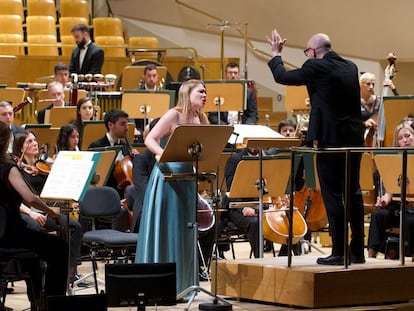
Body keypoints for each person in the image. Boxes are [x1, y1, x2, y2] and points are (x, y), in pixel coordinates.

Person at [267, 30, 365, 265]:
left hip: (330, 140)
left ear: (313, 52)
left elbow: (282, 77)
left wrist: (276, 53)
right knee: (353, 193)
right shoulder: (351, 67)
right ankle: (358, 250)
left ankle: (339, 252)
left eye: (307, 52)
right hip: (354, 139)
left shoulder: (315, 66)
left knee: (333, 195)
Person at [135, 79, 209, 295]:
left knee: (185, 229)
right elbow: (150, 138)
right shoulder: (174, 114)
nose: (205, 95)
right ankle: (160, 284)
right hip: (168, 175)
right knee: (167, 226)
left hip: (187, 177)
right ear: (187, 92)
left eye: (206, 92)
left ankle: (183, 284)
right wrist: (161, 154)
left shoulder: (202, 118)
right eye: (201, 91)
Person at [0, 121, 68, 303]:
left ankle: (37, 296)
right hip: (9, 232)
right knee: (59, 248)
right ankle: (53, 302)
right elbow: (30, 198)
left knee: (35, 250)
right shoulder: (7, 168)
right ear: (7, 141)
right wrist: (51, 213)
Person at [12, 130, 85, 286]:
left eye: (35, 140)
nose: (34, 143)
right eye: (29, 141)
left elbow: (52, 192)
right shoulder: (15, 170)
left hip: (44, 209)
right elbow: (15, 201)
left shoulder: (44, 167)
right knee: (36, 231)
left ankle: (66, 273)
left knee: (74, 227)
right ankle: (38, 278)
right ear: (20, 147)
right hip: (25, 211)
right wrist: (31, 213)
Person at [367, 123, 414, 259]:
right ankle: (371, 256)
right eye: (400, 138)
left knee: (410, 221)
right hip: (398, 205)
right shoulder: (395, 160)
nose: (405, 140)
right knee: (378, 216)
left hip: (413, 207)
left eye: (407, 136)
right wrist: (384, 201)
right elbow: (390, 190)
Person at [88, 109, 134, 231]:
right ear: (110, 125)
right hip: (105, 196)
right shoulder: (96, 146)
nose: (127, 128)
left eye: (127, 123)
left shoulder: (125, 147)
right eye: (122, 124)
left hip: (122, 197)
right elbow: (95, 178)